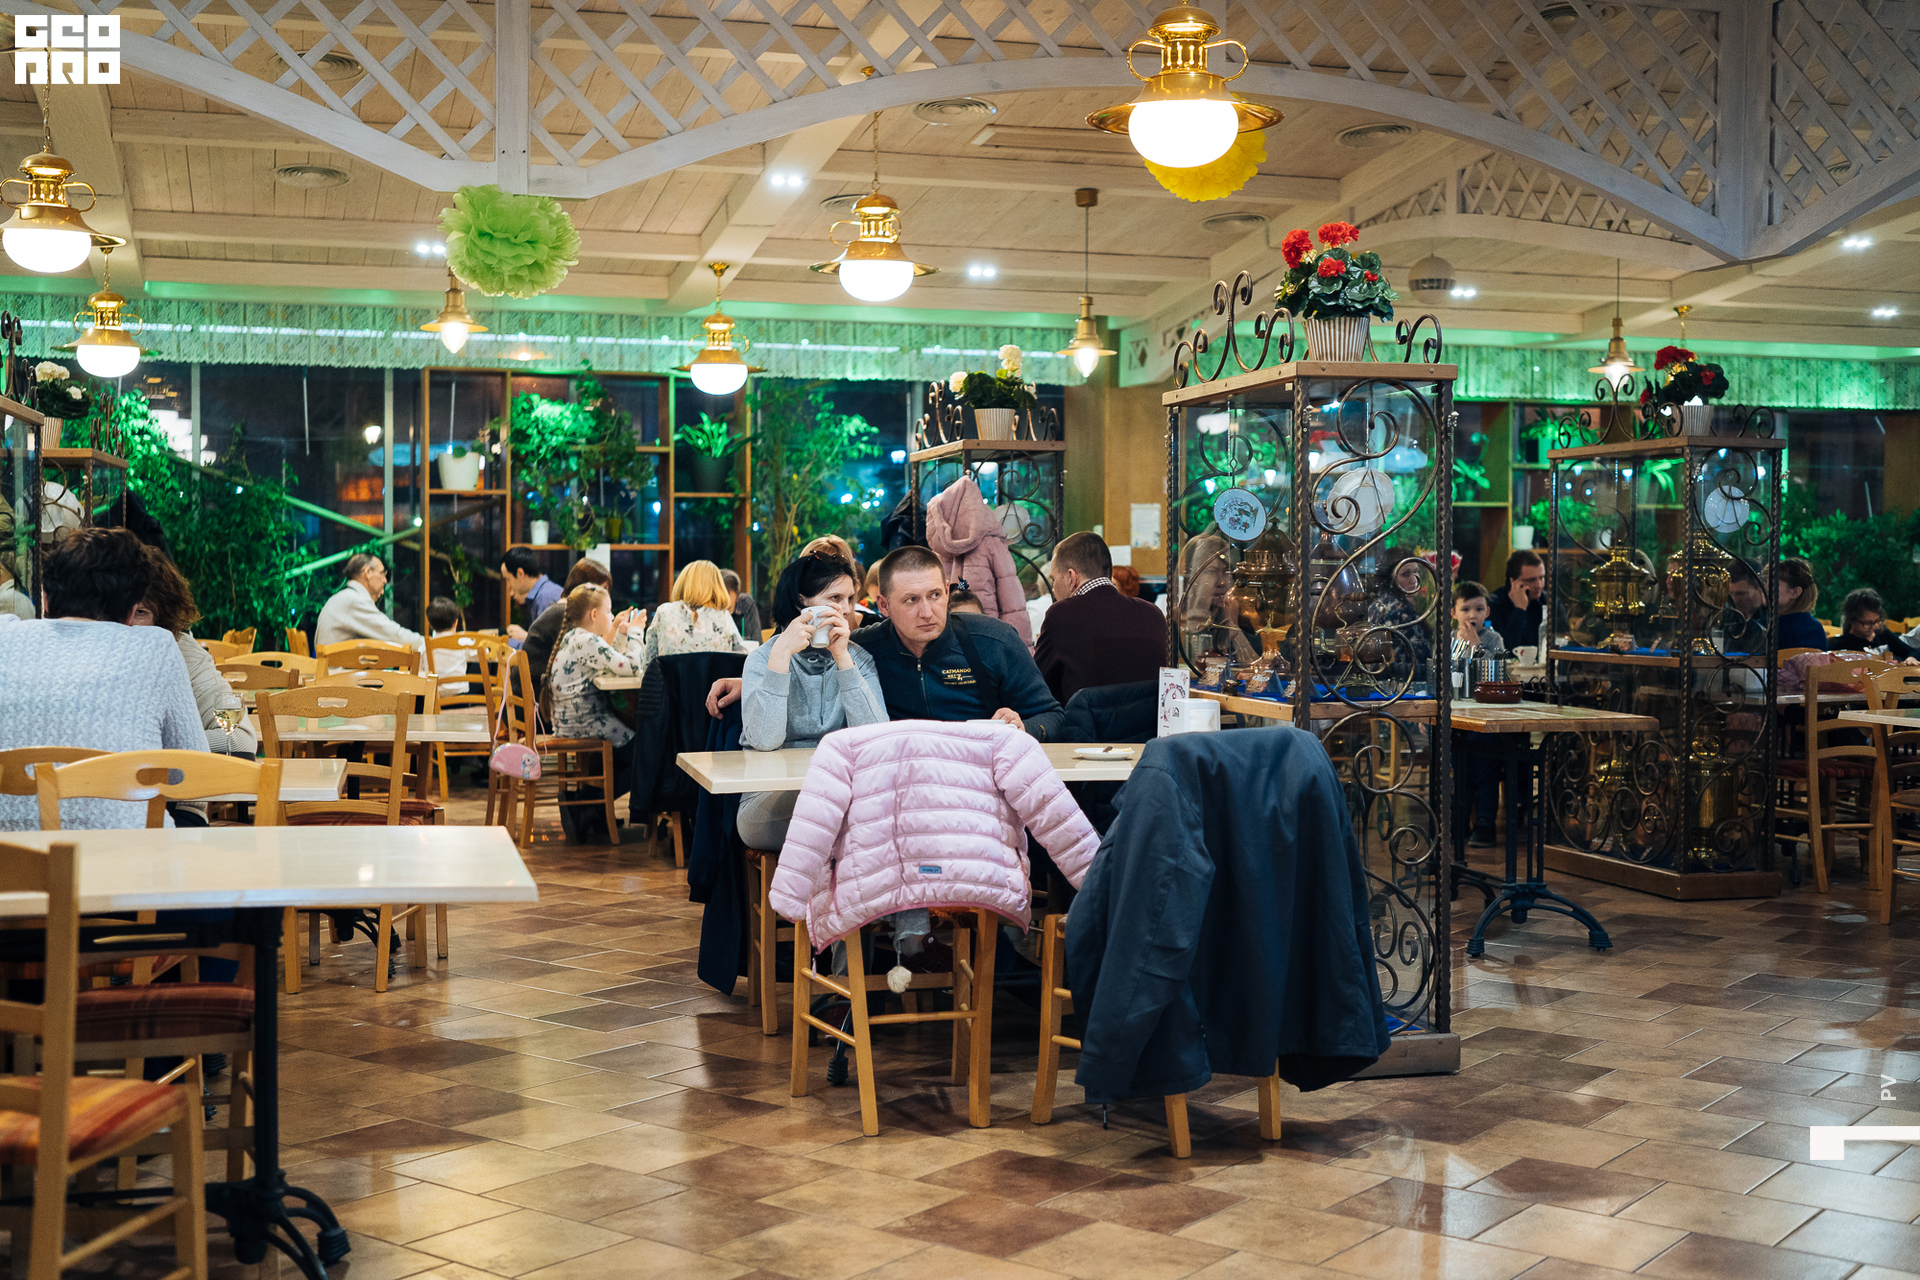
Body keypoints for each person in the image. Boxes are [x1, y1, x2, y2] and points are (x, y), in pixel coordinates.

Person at [708, 545, 1065, 740]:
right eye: (911, 600)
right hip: (901, 780)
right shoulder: (868, 646)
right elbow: (818, 667)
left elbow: (1053, 715)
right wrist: (752, 679)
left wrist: (1025, 727)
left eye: (935, 595)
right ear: (883, 605)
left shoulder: (993, 640)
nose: (928, 611)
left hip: (978, 773)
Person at [0, 528, 206, 830]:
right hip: (129, 856)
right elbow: (192, 773)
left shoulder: (4, 635)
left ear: (45, 600)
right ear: (132, 611)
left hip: (12, 856)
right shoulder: (156, 646)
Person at [736, 551, 888, 853]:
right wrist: (781, 657)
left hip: (841, 788)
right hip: (770, 798)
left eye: (850, 599)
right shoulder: (763, 659)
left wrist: (842, 658)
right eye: (835, 598)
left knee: (862, 813)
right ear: (801, 602)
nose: (846, 609)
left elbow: (876, 738)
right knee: (857, 822)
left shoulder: (857, 658)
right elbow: (764, 740)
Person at [543, 584, 648, 806]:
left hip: (571, 721)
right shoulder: (587, 640)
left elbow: (612, 664)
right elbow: (631, 667)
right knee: (645, 756)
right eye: (608, 611)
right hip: (586, 723)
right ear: (593, 614)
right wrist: (636, 632)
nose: (611, 616)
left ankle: (587, 806)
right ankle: (589, 806)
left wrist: (621, 634)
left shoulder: (575, 636)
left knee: (633, 754)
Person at [1033, 532, 1167, 703]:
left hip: (1081, 720)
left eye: (1053, 580)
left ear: (1071, 578)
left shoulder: (1061, 615)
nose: (1053, 589)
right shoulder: (1152, 614)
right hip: (1147, 721)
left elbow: (1036, 685)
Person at [1451, 581, 1505, 848]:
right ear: (1453, 612)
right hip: (1457, 716)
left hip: (1485, 715)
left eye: (1479, 609)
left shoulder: (1493, 639)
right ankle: (1458, 820)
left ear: (1488, 611)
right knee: (1461, 771)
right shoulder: (1450, 639)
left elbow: (1495, 675)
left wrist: (1476, 647)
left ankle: (1485, 823)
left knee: (1485, 770)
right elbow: (1446, 673)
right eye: (1466, 609)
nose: (1472, 615)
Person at [521, 559, 613, 700]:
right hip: (538, 696)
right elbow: (593, 657)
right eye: (604, 589)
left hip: (530, 692)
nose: (606, 596)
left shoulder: (563, 608)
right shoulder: (567, 613)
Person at [643, 560, 749, 669]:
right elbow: (743, 659)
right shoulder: (723, 616)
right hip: (715, 681)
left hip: (671, 680)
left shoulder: (664, 612)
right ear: (717, 586)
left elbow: (648, 663)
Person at [315, 553, 423, 650]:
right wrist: (427, 644)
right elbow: (392, 633)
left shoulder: (344, 597)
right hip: (340, 666)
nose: (385, 580)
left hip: (334, 664)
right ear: (367, 572)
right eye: (382, 573)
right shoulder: (353, 600)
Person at [1829, 587, 1919, 662]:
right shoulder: (1843, 645)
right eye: (1867, 623)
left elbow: (1911, 651)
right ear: (1851, 620)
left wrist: (1911, 658)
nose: (1873, 627)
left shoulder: (1883, 634)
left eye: (1877, 621)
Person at [502, 547, 563, 648]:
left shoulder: (546, 598)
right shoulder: (542, 594)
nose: (508, 586)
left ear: (520, 573)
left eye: (508, 579)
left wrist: (526, 638)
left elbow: (547, 651)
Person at [1486, 549, 1544, 651]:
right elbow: (1505, 648)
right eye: (1531, 580)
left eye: (1541, 578)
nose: (1538, 585)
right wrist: (1519, 610)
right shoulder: (1493, 604)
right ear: (1513, 581)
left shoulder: (1548, 601)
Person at [1775, 557, 1828, 652]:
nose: (1766, 587)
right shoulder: (1816, 627)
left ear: (1795, 592)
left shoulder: (1777, 627)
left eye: (1775, 583)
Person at [426, 596, 471, 696]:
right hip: (461, 698)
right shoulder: (462, 642)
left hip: (434, 698)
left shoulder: (424, 647)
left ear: (430, 625)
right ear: (456, 623)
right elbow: (484, 655)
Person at [721, 567, 763, 641]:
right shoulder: (708, 610)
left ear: (738, 596)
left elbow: (755, 640)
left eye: (729, 608)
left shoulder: (746, 604)